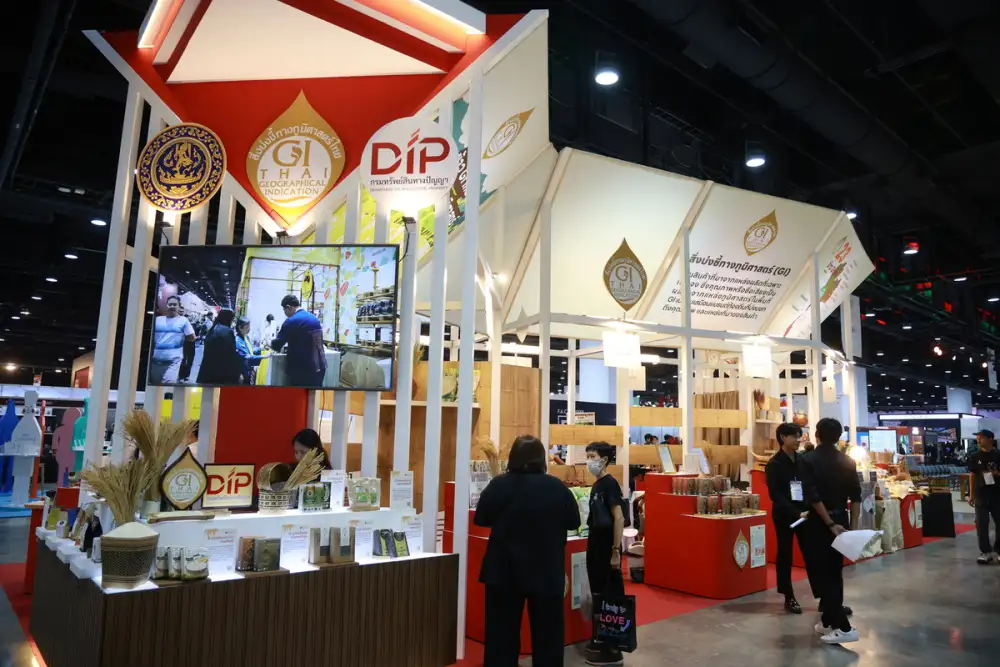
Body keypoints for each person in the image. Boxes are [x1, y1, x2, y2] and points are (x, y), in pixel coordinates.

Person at [473, 436, 581, 667]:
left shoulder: (499, 485)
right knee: (549, 636)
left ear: (513, 458)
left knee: (501, 636)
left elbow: (481, 518)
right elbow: (574, 521)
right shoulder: (557, 487)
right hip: (546, 571)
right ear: (541, 459)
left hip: (504, 571)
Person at [799, 418, 861, 645]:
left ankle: (843, 627)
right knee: (834, 571)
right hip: (842, 520)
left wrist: (829, 523)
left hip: (819, 523)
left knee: (822, 574)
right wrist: (851, 526)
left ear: (817, 435)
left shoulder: (808, 460)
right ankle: (826, 620)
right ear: (838, 437)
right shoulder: (848, 460)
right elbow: (856, 497)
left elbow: (813, 496)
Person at [584, 441, 626, 666]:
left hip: (606, 548)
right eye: (588, 456)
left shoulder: (609, 484)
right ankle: (600, 640)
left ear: (605, 460)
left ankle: (611, 648)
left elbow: (618, 517)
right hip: (595, 547)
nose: (589, 461)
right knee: (598, 594)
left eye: (593, 456)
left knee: (609, 596)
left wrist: (615, 550)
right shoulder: (596, 485)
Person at [766, 422, 807, 614]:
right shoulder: (774, 464)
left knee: (811, 553)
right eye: (795, 436)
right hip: (785, 515)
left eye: (800, 436)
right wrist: (794, 512)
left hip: (805, 513)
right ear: (783, 437)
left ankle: (824, 596)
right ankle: (788, 596)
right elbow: (775, 494)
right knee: (785, 554)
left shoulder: (803, 460)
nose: (799, 440)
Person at [270, 295, 327, 387]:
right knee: (314, 395)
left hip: (302, 372)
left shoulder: (291, 321)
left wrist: (268, 343)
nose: (285, 313)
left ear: (288, 307)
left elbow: (277, 345)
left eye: (284, 310)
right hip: (320, 367)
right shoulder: (314, 319)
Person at [969, 429, 1000, 564]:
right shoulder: (975, 456)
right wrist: (971, 494)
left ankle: (999, 550)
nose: (978, 440)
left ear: (990, 439)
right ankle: (985, 551)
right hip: (981, 494)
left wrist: (997, 474)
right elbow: (972, 475)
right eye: (978, 438)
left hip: (997, 494)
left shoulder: (998, 455)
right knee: (981, 523)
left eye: (981, 437)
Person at [150, 295, 195, 384]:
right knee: (155, 386)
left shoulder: (183, 320)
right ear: (166, 305)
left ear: (179, 306)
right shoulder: (157, 320)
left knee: (168, 386)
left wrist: (182, 337)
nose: (172, 306)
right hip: (155, 360)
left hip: (173, 362)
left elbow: (192, 338)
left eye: (174, 304)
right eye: (170, 304)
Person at [196, 309, 243, 385]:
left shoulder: (213, 328)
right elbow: (231, 354)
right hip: (220, 374)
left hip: (207, 371)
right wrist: (237, 373)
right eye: (232, 319)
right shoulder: (227, 331)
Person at [235, 316, 266, 385]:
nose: (249, 329)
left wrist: (261, 348)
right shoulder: (238, 341)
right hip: (242, 373)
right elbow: (247, 356)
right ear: (240, 328)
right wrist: (264, 356)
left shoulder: (246, 337)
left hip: (248, 371)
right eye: (247, 327)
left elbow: (252, 349)